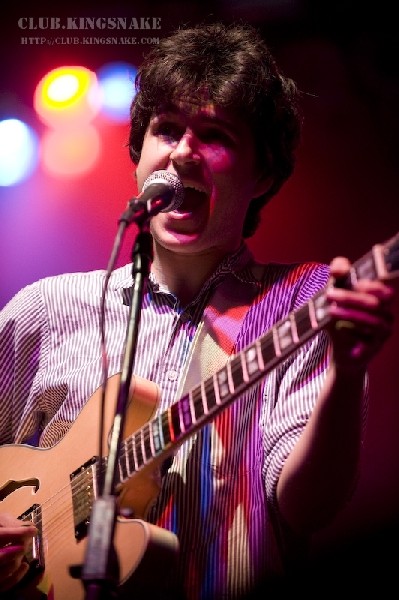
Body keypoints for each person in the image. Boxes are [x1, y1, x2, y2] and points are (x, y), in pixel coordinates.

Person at [0, 21, 396, 600]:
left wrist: (348, 371)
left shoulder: (301, 302)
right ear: (139, 155)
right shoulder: (47, 307)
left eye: (216, 134)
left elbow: (307, 508)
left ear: (262, 174)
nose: (183, 152)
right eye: (166, 129)